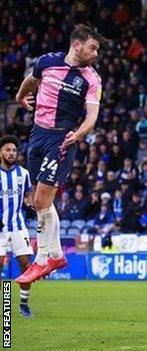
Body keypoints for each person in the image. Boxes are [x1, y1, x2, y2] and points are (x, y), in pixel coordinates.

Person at [15, 24, 104, 284]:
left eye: (97, 49)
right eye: (92, 47)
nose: (95, 53)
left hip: (62, 139)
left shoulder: (91, 78)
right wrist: (21, 96)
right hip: (37, 135)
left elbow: (92, 116)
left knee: (41, 201)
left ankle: (41, 260)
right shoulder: (47, 62)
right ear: (77, 44)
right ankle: (56, 254)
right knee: (39, 201)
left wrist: (79, 133)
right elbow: (31, 80)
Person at [0, 136, 36, 317]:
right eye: (7, 149)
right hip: (0, 229)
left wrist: (30, 206)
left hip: (18, 226)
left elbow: (28, 195)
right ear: (1, 153)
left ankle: (24, 303)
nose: (11, 153)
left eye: (14, 150)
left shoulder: (24, 174)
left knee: (25, 265)